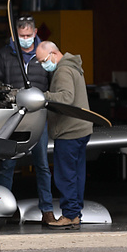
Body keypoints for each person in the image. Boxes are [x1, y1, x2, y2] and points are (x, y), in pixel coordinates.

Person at [0, 15, 56, 225]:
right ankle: (2, 208)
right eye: (21, 35)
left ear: (35, 33)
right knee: (8, 164)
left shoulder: (44, 53)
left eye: (28, 35)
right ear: (15, 35)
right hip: (13, 117)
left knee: (42, 164)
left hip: (38, 117)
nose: (25, 38)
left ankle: (47, 210)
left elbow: (54, 84)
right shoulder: (6, 54)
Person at [36, 41, 92, 229]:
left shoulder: (63, 71)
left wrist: (43, 96)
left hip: (69, 131)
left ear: (53, 53)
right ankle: (75, 213)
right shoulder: (74, 66)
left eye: (43, 60)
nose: (44, 65)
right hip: (81, 129)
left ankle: (69, 214)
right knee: (77, 174)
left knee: (65, 175)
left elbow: (66, 98)